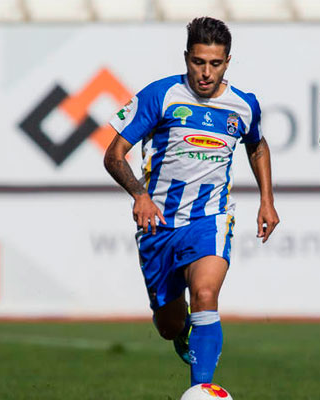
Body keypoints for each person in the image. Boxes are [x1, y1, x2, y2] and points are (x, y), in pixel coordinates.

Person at [103, 16, 279, 387]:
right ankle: (180, 329)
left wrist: (267, 199)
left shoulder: (244, 106)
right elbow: (114, 155)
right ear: (186, 58)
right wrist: (140, 195)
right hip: (158, 225)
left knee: (204, 293)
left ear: (227, 62)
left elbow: (257, 145)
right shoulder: (160, 95)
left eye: (215, 64)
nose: (205, 72)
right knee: (169, 324)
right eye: (198, 62)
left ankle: (201, 389)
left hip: (210, 219)